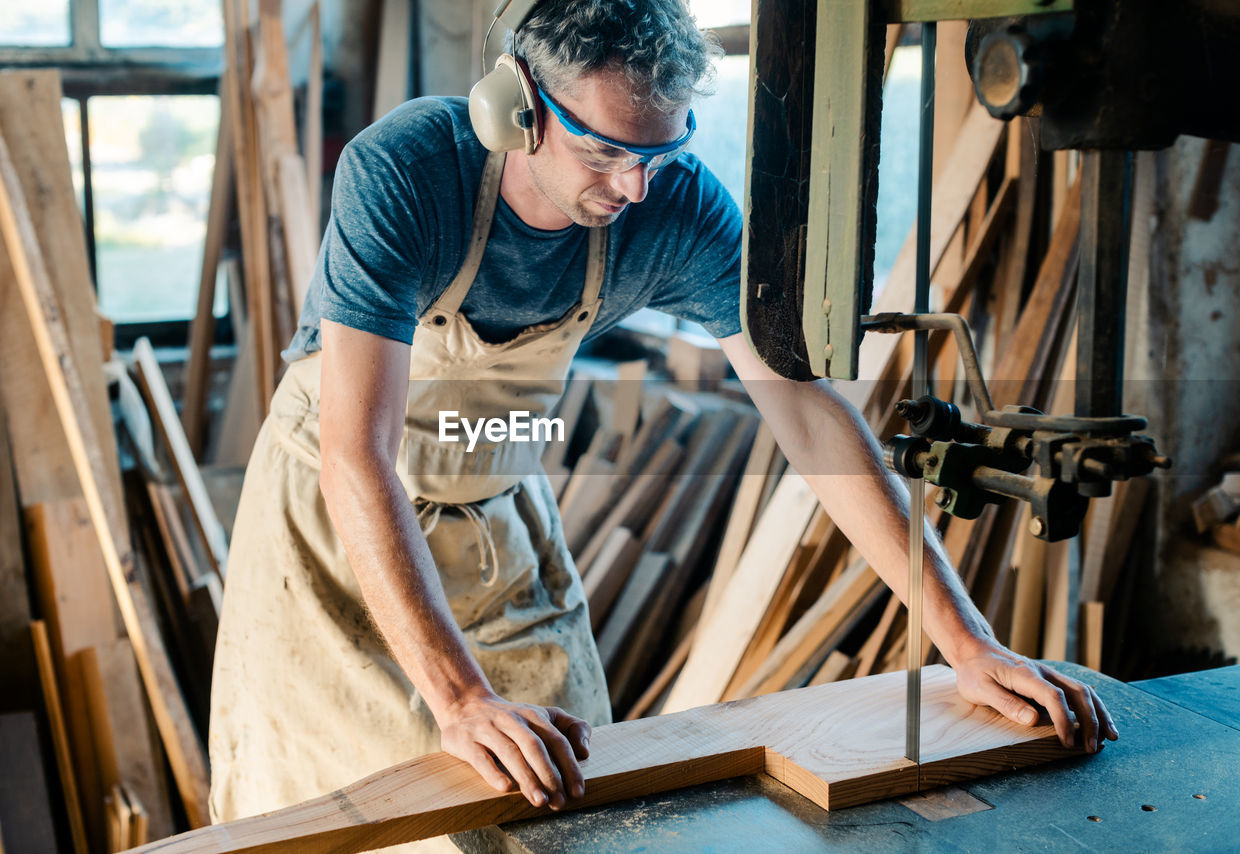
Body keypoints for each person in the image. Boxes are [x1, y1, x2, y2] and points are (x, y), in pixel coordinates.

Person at [208, 0, 1117, 836]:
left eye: (660, 152)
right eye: (605, 152)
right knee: (342, 816)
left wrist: (964, 641)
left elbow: (804, 409)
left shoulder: (670, 205)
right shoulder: (408, 172)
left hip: (496, 501)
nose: (636, 187)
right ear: (514, 106)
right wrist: (461, 700)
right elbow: (355, 455)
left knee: (562, 803)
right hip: (335, 530)